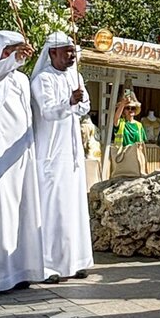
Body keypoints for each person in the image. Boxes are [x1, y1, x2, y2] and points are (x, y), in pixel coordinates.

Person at [0, 30, 43, 292]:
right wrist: (11, 61)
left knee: (23, 213)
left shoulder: (22, 80)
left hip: (20, 157)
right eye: (12, 50)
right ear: (2, 52)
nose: (18, 56)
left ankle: (20, 271)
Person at [30, 32, 92, 283]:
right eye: (66, 51)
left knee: (74, 207)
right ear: (52, 53)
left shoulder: (76, 76)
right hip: (51, 155)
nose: (71, 55)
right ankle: (49, 265)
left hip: (73, 155)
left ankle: (75, 261)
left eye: (72, 51)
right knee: (53, 210)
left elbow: (85, 107)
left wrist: (78, 101)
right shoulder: (42, 79)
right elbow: (47, 111)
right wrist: (69, 102)